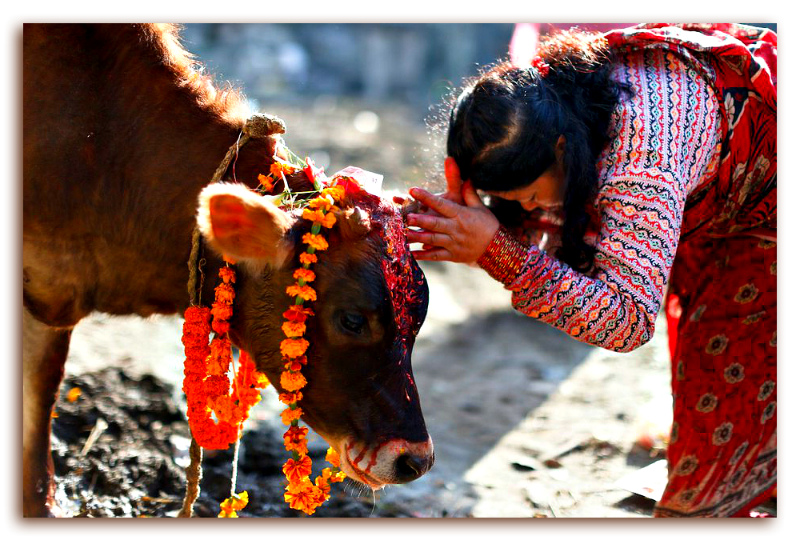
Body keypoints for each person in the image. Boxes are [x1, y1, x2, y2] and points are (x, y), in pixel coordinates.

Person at [406, 23, 776, 518]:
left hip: (770, 223)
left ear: (563, 149)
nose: (534, 210)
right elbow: (555, 226)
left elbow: (628, 319)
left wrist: (499, 252)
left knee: (718, 456)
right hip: (726, 202)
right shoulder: (549, 94)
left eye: (534, 197)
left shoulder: (642, 165)